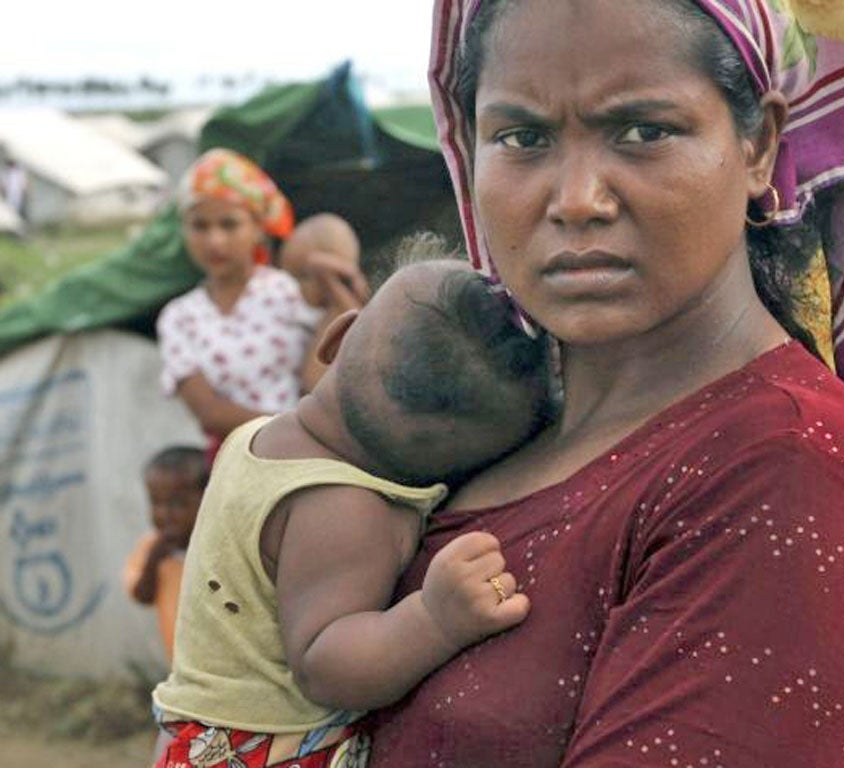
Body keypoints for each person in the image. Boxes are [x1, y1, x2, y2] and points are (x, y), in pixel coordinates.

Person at [364, 1, 844, 766]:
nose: (576, 198)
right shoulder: (501, 425)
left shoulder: (785, 471)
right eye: (523, 138)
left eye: (643, 131)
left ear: (758, 146)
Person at [150, 259, 554, 768]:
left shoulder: (259, 437)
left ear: (335, 339)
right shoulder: (343, 508)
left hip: (203, 737)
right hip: (266, 750)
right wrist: (434, 620)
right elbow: (324, 664)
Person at [156, 148, 312, 461]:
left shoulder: (291, 293)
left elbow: (333, 362)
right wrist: (298, 431)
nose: (214, 241)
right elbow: (209, 412)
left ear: (258, 228)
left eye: (229, 224)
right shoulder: (179, 317)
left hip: (309, 456)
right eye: (200, 226)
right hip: (234, 464)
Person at [122, 446, 208, 663]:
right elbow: (142, 596)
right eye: (156, 503)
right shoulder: (151, 547)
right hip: (180, 665)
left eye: (178, 504)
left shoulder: (218, 547)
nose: (164, 514)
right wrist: (153, 561)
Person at [280, 213, 372, 390]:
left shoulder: (344, 310)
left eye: (302, 276)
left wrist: (326, 271)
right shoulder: (313, 314)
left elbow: (312, 383)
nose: (292, 288)